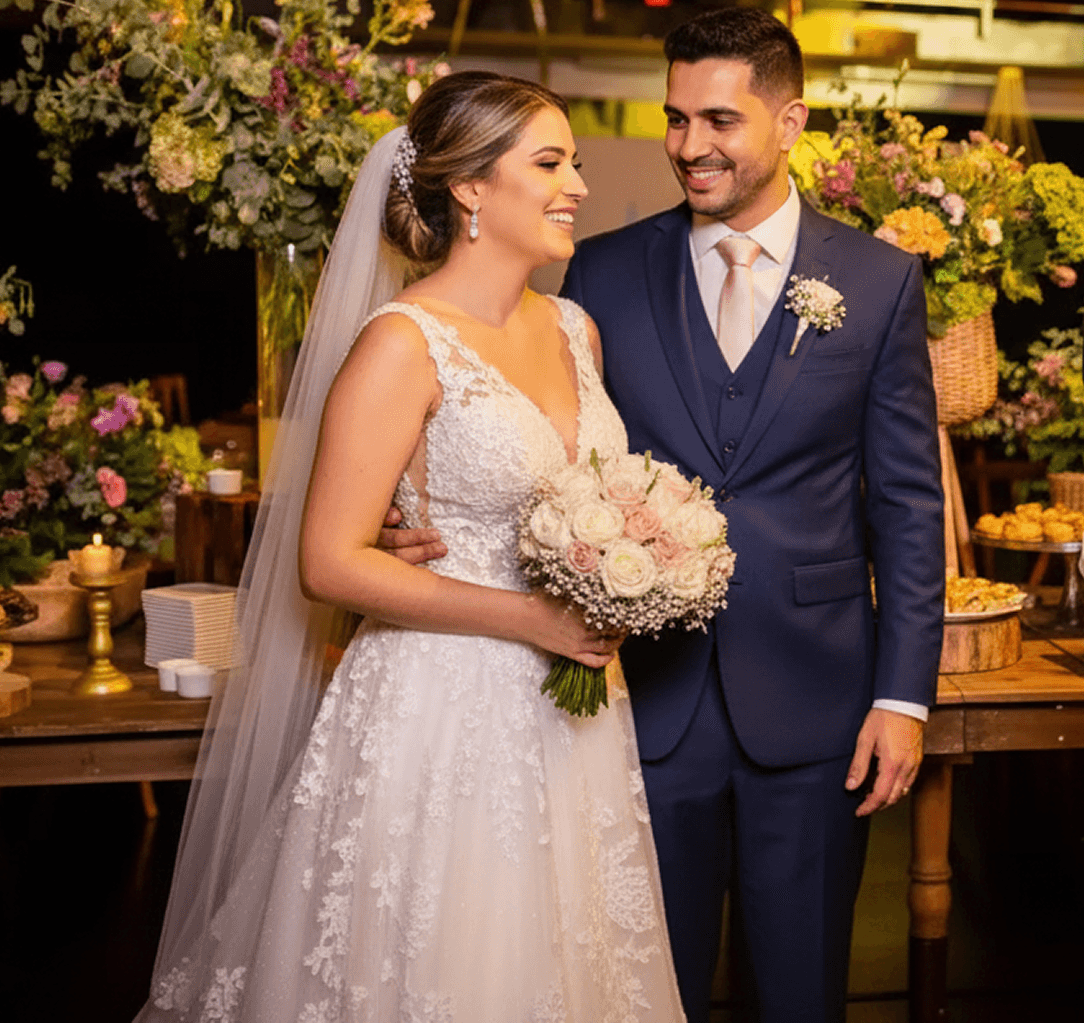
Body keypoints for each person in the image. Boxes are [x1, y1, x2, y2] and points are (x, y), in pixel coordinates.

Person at [386, 7, 945, 1022]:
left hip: (817, 699)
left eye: (720, 120)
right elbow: (539, 444)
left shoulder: (878, 281)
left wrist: (902, 699)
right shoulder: (600, 271)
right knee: (644, 989)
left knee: (803, 993)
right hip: (637, 697)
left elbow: (908, 507)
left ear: (790, 120)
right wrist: (408, 504)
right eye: (676, 118)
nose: (690, 145)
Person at [139, 74, 682, 1022]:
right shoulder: (402, 343)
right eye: (549, 163)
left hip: (577, 712)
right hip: (443, 708)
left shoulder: (575, 330)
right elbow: (329, 562)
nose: (578, 187)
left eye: (575, 163)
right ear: (471, 187)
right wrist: (532, 618)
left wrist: (638, 566)